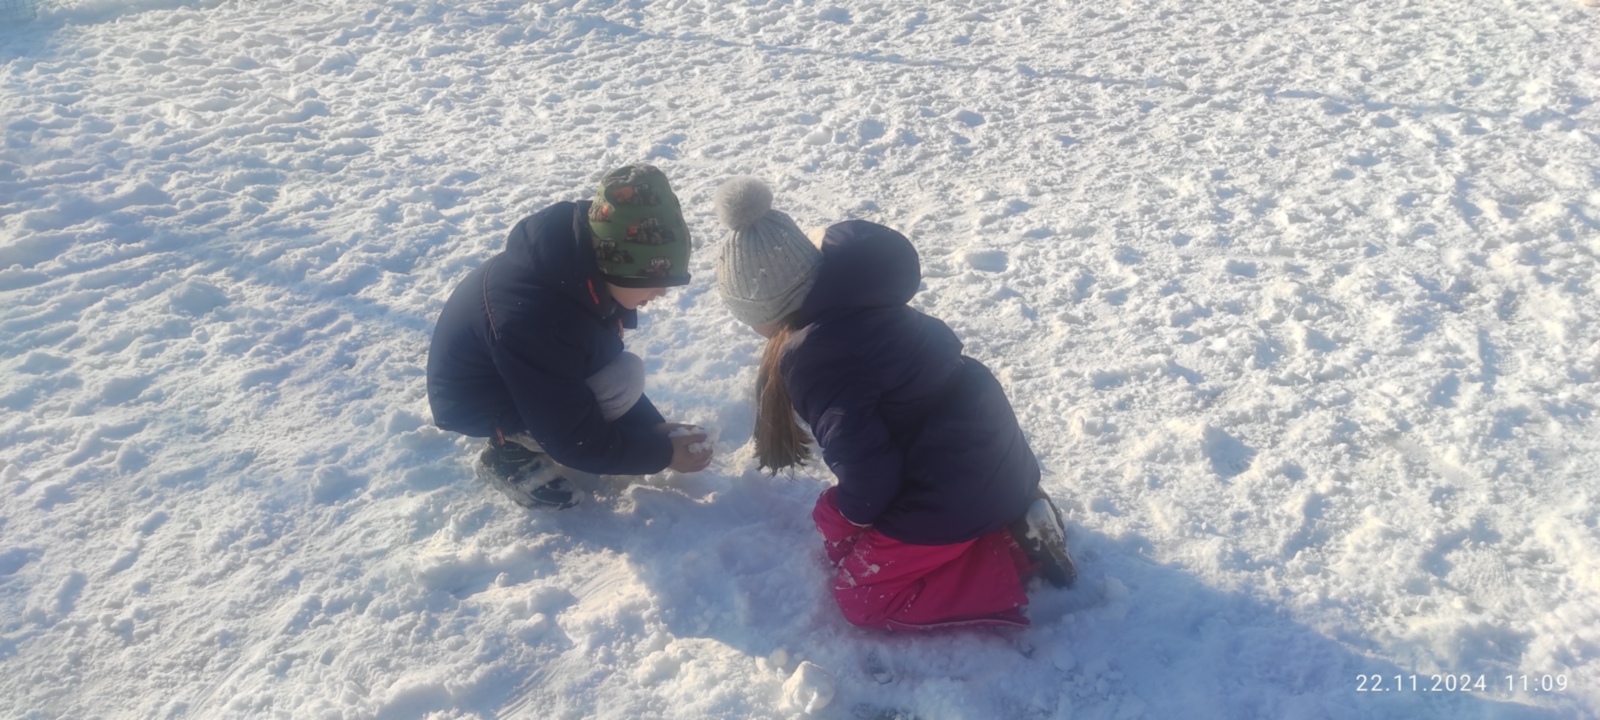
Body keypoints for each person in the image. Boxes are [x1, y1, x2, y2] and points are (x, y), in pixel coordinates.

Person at [712, 177, 1075, 631]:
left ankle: (1011, 556)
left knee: (861, 596)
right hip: (990, 455)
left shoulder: (816, 358)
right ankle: (1013, 517)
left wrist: (851, 512)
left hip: (950, 489)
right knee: (843, 524)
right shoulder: (862, 303)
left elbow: (869, 470)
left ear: (763, 311)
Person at [426, 164, 711, 509]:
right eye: (655, 281)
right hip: (482, 402)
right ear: (621, 268)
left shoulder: (581, 267)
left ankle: (529, 434)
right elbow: (574, 441)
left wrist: (651, 431)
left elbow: (589, 358)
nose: (662, 292)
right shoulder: (540, 322)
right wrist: (661, 454)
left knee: (622, 374)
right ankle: (509, 454)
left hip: (521, 375)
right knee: (621, 378)